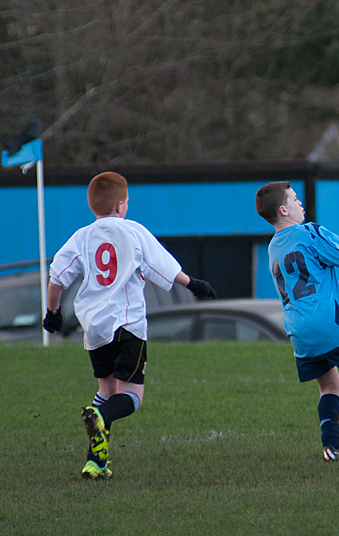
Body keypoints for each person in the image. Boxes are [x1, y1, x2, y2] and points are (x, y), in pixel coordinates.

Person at [43, 171, 217, 480]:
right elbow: (159, 266)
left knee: (105, 390)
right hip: (128, 323)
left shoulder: (82, 236)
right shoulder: (132, 231)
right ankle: (100, 415)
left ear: (92, 205)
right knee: (132, 397)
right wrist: (194, 284)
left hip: (94, 328)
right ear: (122, 205)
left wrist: (52, 313)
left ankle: (94, 463)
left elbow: (57, 277)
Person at [255, 182, 339, 461]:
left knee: (330, 387)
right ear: (283, 209)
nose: (300, 203)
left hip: (299, 331)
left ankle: (331, 447)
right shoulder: (308, 232)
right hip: (330, 323)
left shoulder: (272, 247)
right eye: (294, 199)